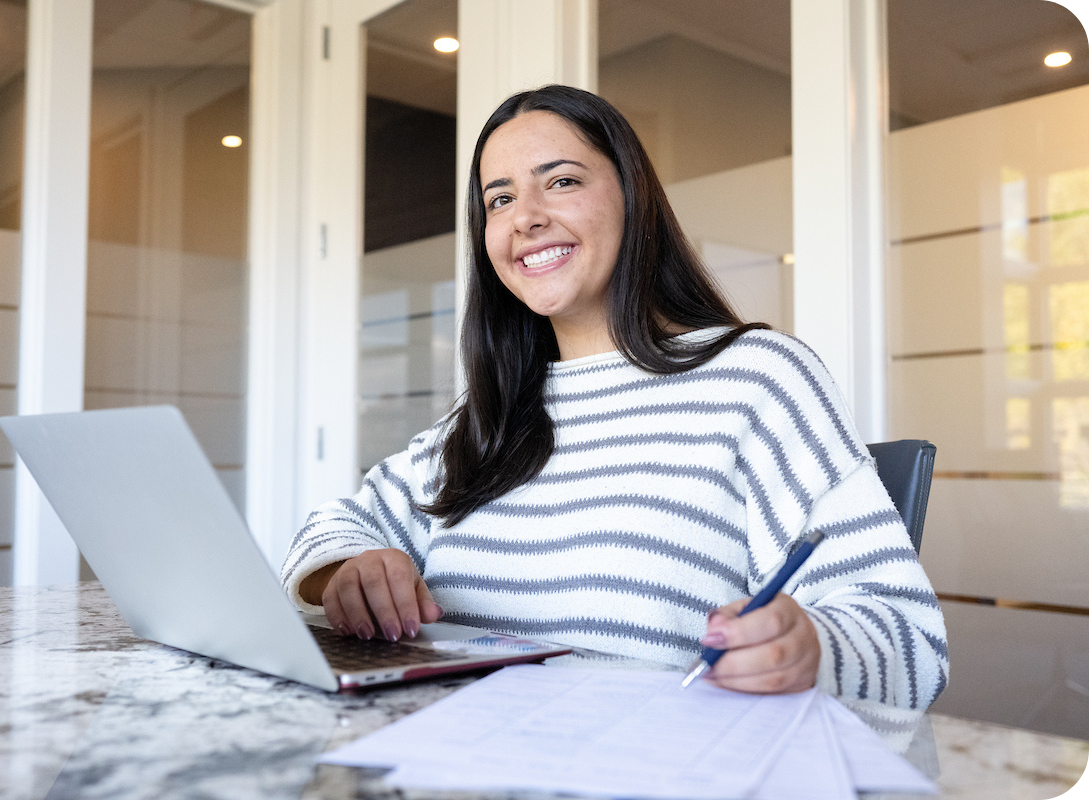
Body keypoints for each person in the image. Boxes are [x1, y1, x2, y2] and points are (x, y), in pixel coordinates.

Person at [280, 85, 948, 709]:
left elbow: (905, 635)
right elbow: (326, 533)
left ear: (633, 197)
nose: (526, 219)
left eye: (561, 181)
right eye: (500, 200)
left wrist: (811, 650)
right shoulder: (485, 419)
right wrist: (350, 567)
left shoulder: (756, 378)